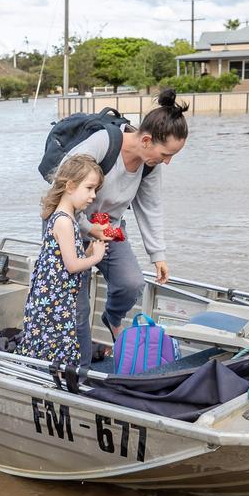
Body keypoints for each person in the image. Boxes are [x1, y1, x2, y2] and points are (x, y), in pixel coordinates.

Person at [62, 88, 189, 364]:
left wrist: (159, 255)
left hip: (109, 229)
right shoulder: (102, 144)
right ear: (146, 139)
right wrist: (85, 227)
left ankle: (112, 317)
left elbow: (151, 208)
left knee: (131, 283)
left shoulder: (150, 165)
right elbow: (62, 187)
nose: (167, 161)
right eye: (166, 154)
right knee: (79, 308)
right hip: (71, 227)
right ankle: (81, 372)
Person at [14, 154, 107, 365]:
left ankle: (56, 376)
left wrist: (90, 250)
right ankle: (60, 380)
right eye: (89, 188)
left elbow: (66, 258)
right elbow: (72, 265)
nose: (93, 196)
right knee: (58, 341)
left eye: (95, 190)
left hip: (55, 296)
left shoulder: (64, 217)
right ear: (71, 186)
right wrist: (97, 258)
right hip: (56, 300)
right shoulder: (64, 221)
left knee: (54, 340)